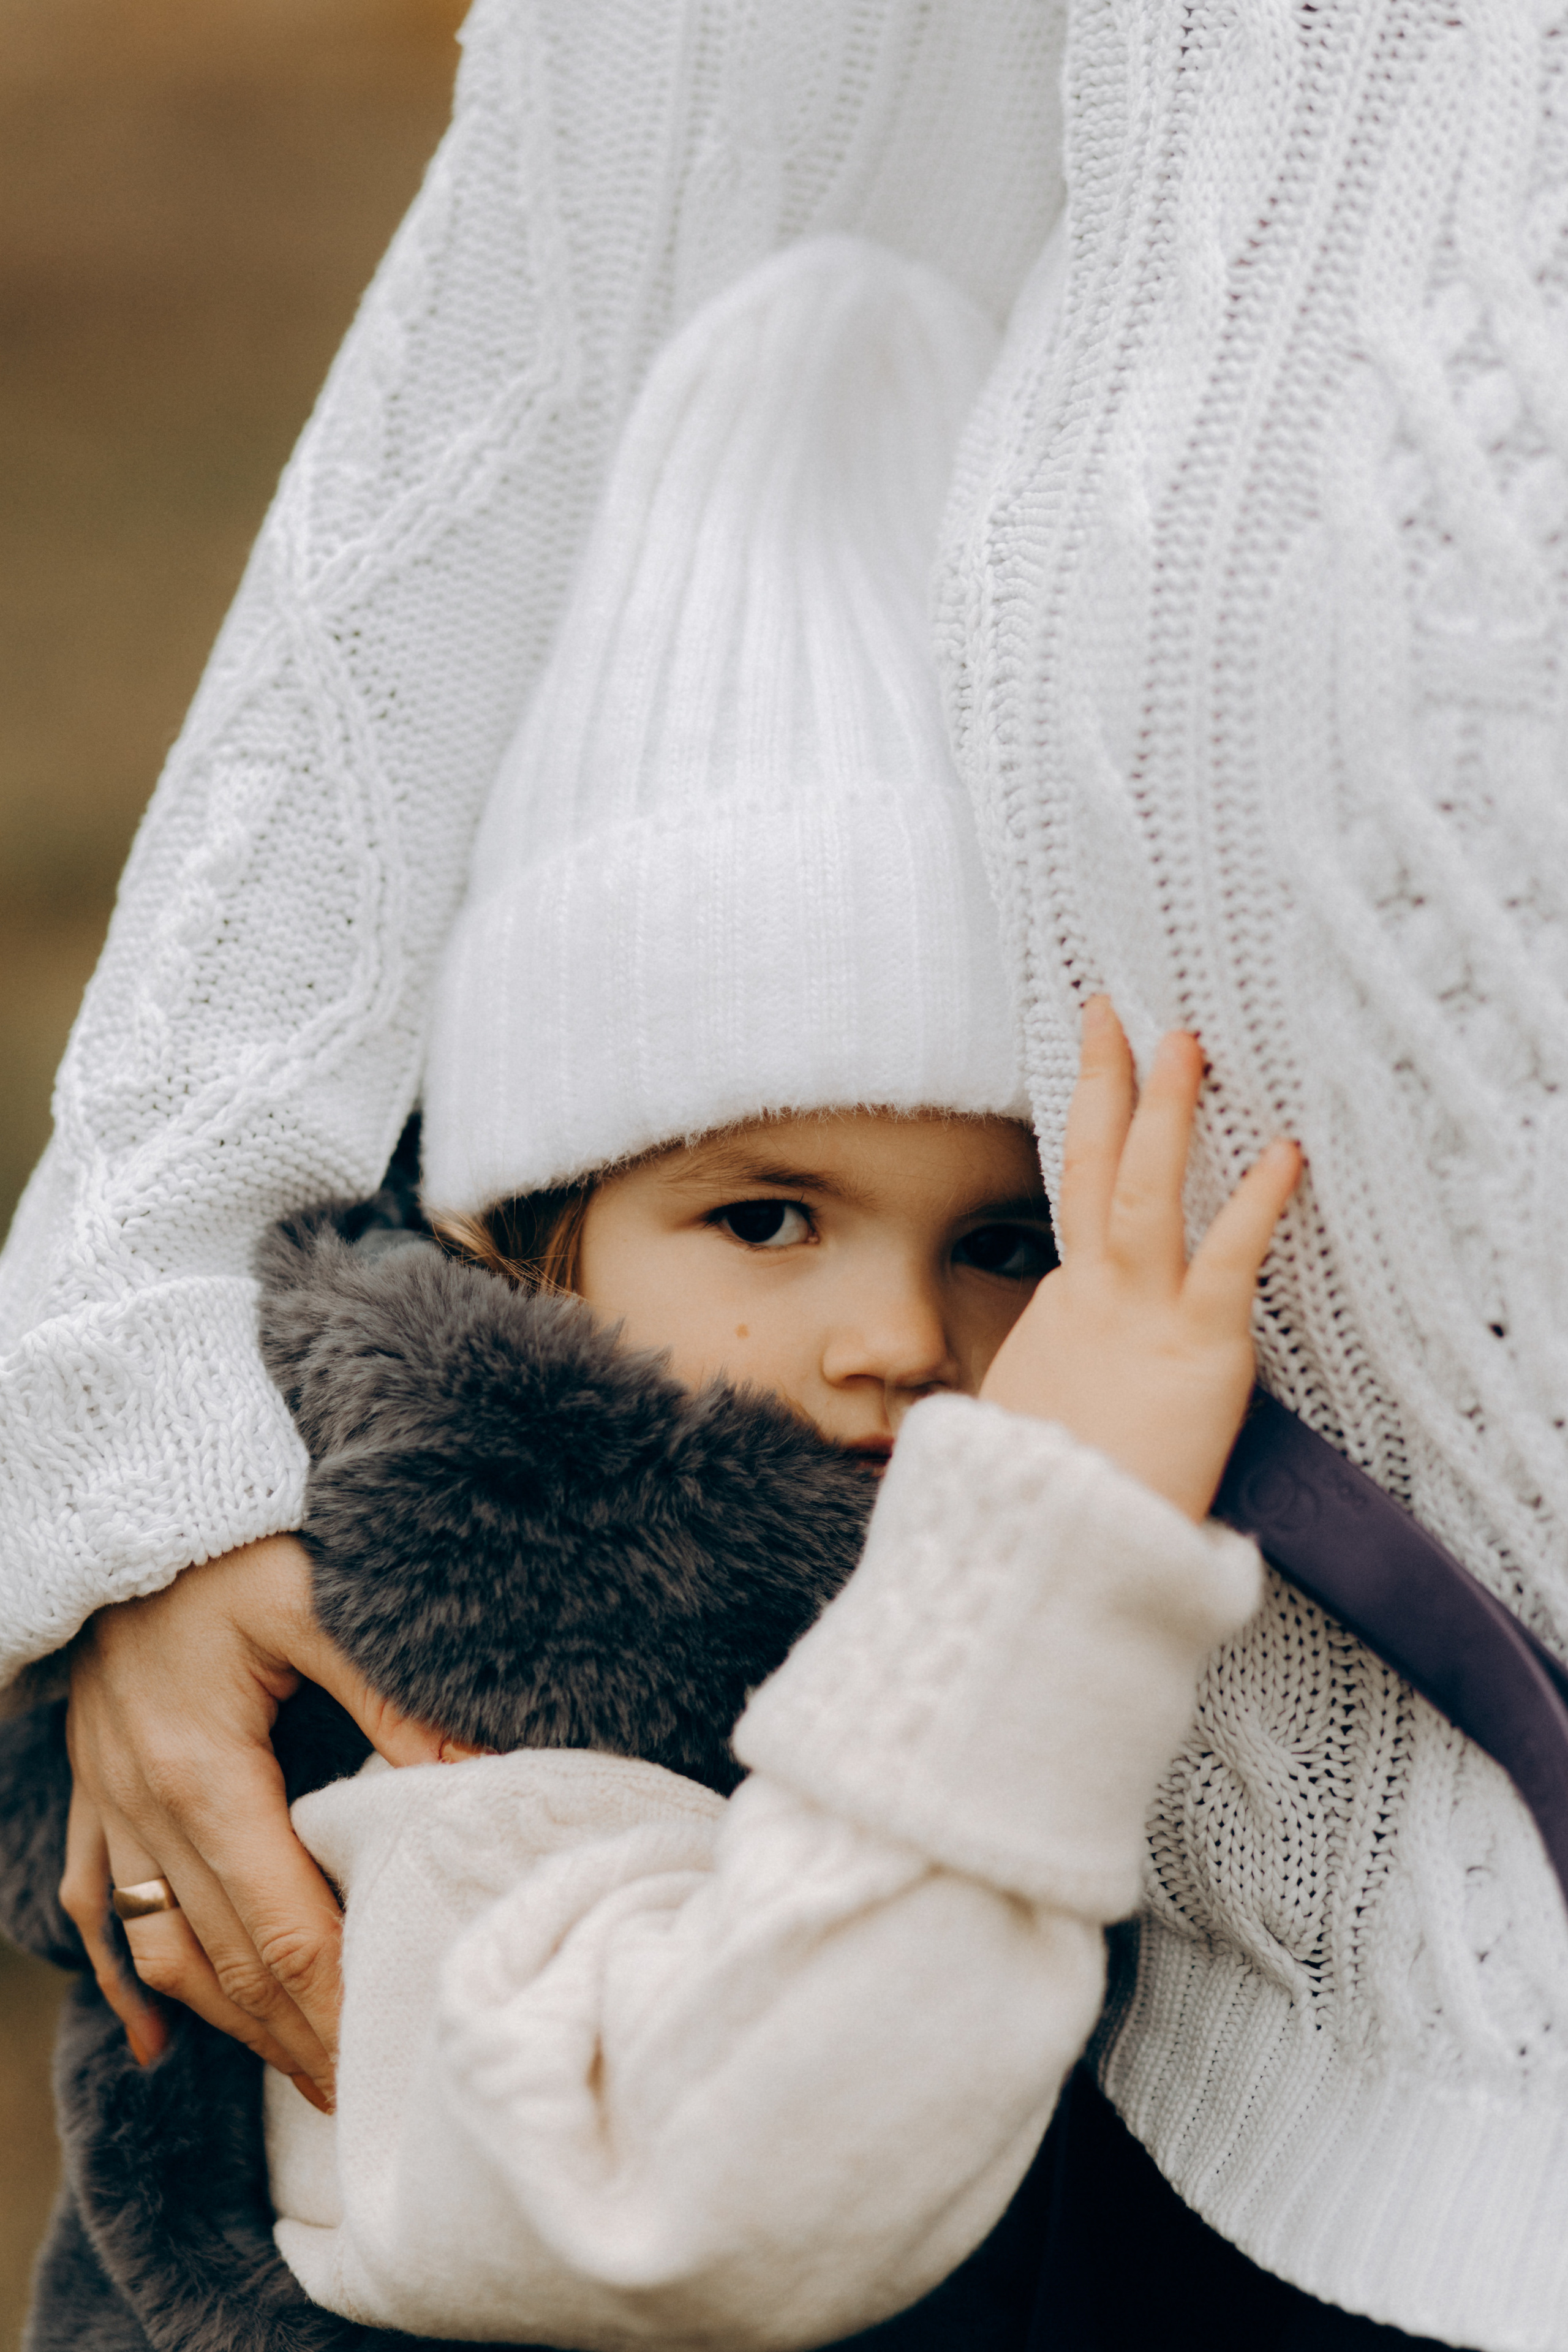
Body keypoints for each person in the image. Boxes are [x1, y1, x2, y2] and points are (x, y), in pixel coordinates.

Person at [4, 9, 1564, 2348]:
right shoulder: (467, 1681)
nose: (887, 1338)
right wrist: (1047, 1564)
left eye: (1001, 1247)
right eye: (763, 1218)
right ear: (519, 1241)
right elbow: (718, 2176)